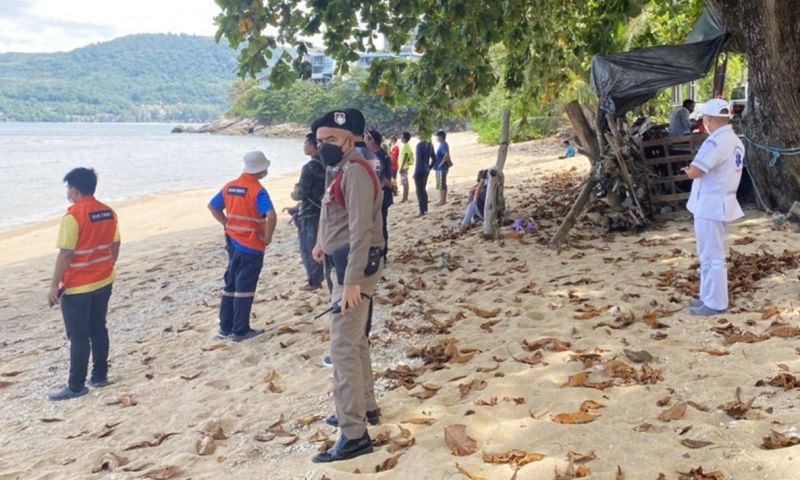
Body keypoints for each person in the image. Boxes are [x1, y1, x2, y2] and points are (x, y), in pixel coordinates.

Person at [310, 109, 385, 463]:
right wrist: (322, 241)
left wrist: (352, 281)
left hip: (353, 272)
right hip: (345, 267)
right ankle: (365, 408)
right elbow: (339, 217)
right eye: (321, 140)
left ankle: (353, 434)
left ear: (350, 138)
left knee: (342, 348)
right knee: (356, 343)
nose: (324, 145)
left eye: (331, 139)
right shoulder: (342, 169)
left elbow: (361, 230)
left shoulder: (354, 171)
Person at [47, 168, 121, 401]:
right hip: (104, 280)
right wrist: (107, 265)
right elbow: (116, 243)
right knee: (99, 328)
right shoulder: (108, 212)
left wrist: (53, 286)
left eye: (69, 188)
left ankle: (76, 385)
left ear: (74, 190)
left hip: (78, 287)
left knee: (78, 336)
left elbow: (66, 254)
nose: (68, 192)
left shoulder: (73, 216)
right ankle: (99, 375)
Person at [681, 99, 744, 316]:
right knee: (709, 254)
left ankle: (715, 303)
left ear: (708, 119)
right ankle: (708, 297)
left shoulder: (716, 143)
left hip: (711, 205)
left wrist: (688, 172)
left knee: (711, 256)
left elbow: (698, 170)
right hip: (721, 202)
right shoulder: (734, 140)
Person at [208, 151, 277, 341]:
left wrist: (226, 223)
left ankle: (225, 327)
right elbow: (271, 215)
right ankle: (240, 330)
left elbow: (213, 206)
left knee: (230, 284)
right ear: (262, 170)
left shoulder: (230, 186)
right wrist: (267, 237)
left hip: (232, 241)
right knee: (244, 287)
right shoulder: (257, 190)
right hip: (251, 244)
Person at [291, 133, 326, 290]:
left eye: (305, 144)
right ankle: (322, 275)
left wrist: (294, 194)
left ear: (312, 147)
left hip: (311, 212)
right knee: (323, 244)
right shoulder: (327, 163)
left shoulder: (309, 167)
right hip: (325, 209)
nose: (304, 146)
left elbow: (302, 193)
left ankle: (314, 280)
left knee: (308, 247)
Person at [366, 129, 395, 260]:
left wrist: (391, 185)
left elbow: (381, 178)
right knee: (381, 225)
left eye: (367, 138)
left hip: (382, 195)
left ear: (372, 140)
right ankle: (383, 254)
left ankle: (382, 254)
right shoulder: (383, 154)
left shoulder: (375, 156)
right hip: (385, 194)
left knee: (379, 226)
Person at [413, 131, 435, 216]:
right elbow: (434, 158)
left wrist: (415, 172)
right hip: (426, 169)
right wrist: (429, 167)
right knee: (423, 189)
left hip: (420, 170)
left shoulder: (419, 146)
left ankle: (421, 211)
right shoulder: (430, 145)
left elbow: (418, 161)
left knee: (419, 191)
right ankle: (425, 209)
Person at [434, 130, 452, 206]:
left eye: (437, 136)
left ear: (441, 137)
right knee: (440, 184)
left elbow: (446, 155)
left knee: (442, 184)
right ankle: (441, 199)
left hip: (442, 168)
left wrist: (441, 164)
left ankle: (442, 200)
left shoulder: (444, 145)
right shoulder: (442, 144)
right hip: (440, 167)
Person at [398, 131, 414, 203]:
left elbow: (406, 156)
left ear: (404, 139)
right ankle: (405, 197)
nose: (400, 138)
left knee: (405, 182)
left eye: (401, 137)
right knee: (405, 182)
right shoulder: (405, 145)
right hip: (404, 166)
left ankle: (405, 198)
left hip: (404, 167)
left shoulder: (405, 146)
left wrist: (401, 167)